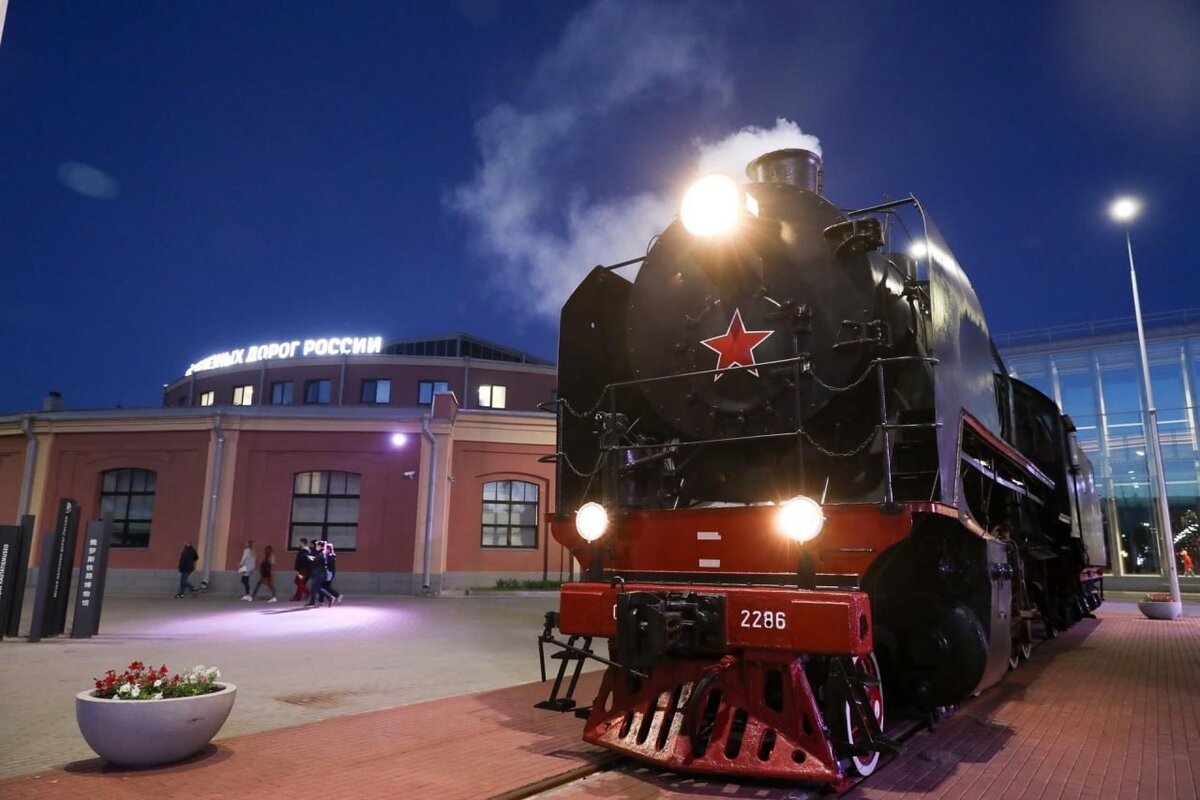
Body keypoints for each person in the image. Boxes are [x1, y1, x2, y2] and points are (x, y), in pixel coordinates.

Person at [304, 540, 335, 607]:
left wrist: (310, 559)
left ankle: (330, 597)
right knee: (314, 588)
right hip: (318, 573)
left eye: (317, 546)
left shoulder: (321, 554)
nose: (316, 547)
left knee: (317, 587)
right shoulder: (321, 553)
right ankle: (312, 602)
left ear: (321, 547)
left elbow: (316, 563)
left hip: (319, 574)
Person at [323, 541, 343, 606]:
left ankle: (336, 596)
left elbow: (328, 563)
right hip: (330, 572)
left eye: (326, 549)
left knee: (326, 586)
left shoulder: (330, 555)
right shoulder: (331, 555)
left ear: (328, 549)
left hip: (329, 572)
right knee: (326, 586)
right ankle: (335, 596)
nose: (325, 550)